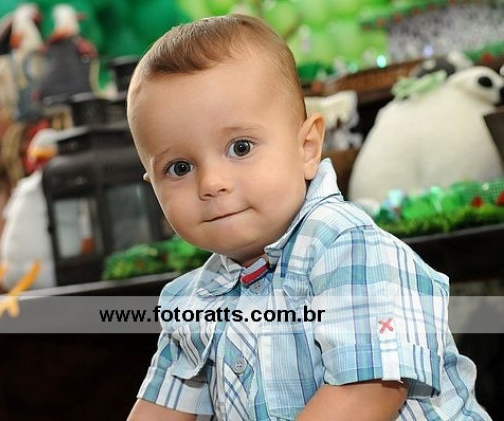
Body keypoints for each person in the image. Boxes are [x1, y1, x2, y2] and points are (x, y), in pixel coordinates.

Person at [125, 14, 491, 421]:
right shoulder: (193, 302)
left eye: (240, 147)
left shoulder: (350, 251)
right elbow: (159, 411)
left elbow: (368, 393)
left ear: (307, 148)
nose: (211, 183)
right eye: (179, 168)